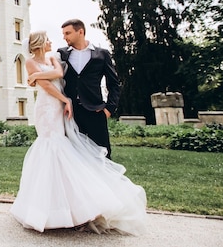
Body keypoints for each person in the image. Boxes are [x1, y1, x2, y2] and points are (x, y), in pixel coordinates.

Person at [10, 31, 146, 235]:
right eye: (47, 39)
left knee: (62, 146)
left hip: (60, 106)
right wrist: (64, 99)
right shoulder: (30, 62)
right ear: (39, 43)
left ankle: (73, 205)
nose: (51, 41)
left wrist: (37, 75)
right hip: (47, 108)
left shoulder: (52, 58)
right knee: (50, 147)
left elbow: (59, 75)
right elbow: (46, 87)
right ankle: (49, 209)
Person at [58, 19, 119, 159]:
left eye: (67, 33)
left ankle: (105, 181)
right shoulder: (62, 54)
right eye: (63, 33)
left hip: (95, 111)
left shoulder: (102, 54)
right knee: (73, 157)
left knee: (103, 155)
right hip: (70, 113)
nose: (64, 37)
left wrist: (109, 109)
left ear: (80, 32)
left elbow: (114, 84)